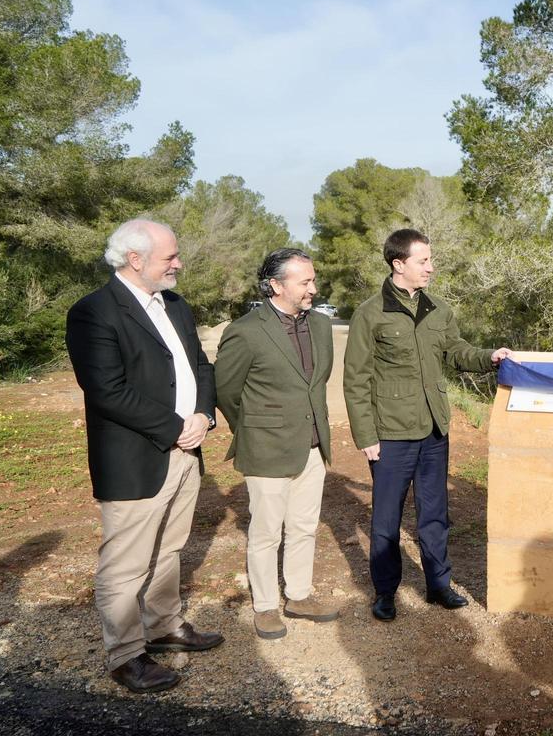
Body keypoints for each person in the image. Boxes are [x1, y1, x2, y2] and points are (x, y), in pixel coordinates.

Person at [65, 219, 223, 693]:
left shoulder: (175, 305)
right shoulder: (93, 312)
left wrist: (203, 414)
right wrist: (177, 428)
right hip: (136, 459)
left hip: (185, 451)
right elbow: (106, 391)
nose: (178, 264)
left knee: (170, 549)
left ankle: (163, 627)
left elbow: (199, 364)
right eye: (169, 257)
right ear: (135, 260)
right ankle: (125, 655)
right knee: (126, 562)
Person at [343, 228, 514, 621]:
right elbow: (355, 379)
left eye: (430, 260)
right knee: (386, 518)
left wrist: (491, 356)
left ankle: (439, 585)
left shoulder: (439, 309)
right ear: (398, 263)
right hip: (391, 432)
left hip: (435, 429)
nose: (431, 268)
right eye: (423, 261)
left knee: (435, 513)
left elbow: (456, 352)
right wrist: (366, 436)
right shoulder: (370, 313)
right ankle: (386, 592)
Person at [214, 248, 339, 640]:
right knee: (266, 533)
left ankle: (298, 596)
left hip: (313, 445)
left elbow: (315, 384)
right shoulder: (246, 330)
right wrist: (254, 428)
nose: (313, 289)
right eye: (304, 282)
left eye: (313, 280)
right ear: (275, 285)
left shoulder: (320, 326)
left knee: (304, 527)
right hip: (266, 449)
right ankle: (265, 606)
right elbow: (227, 390)